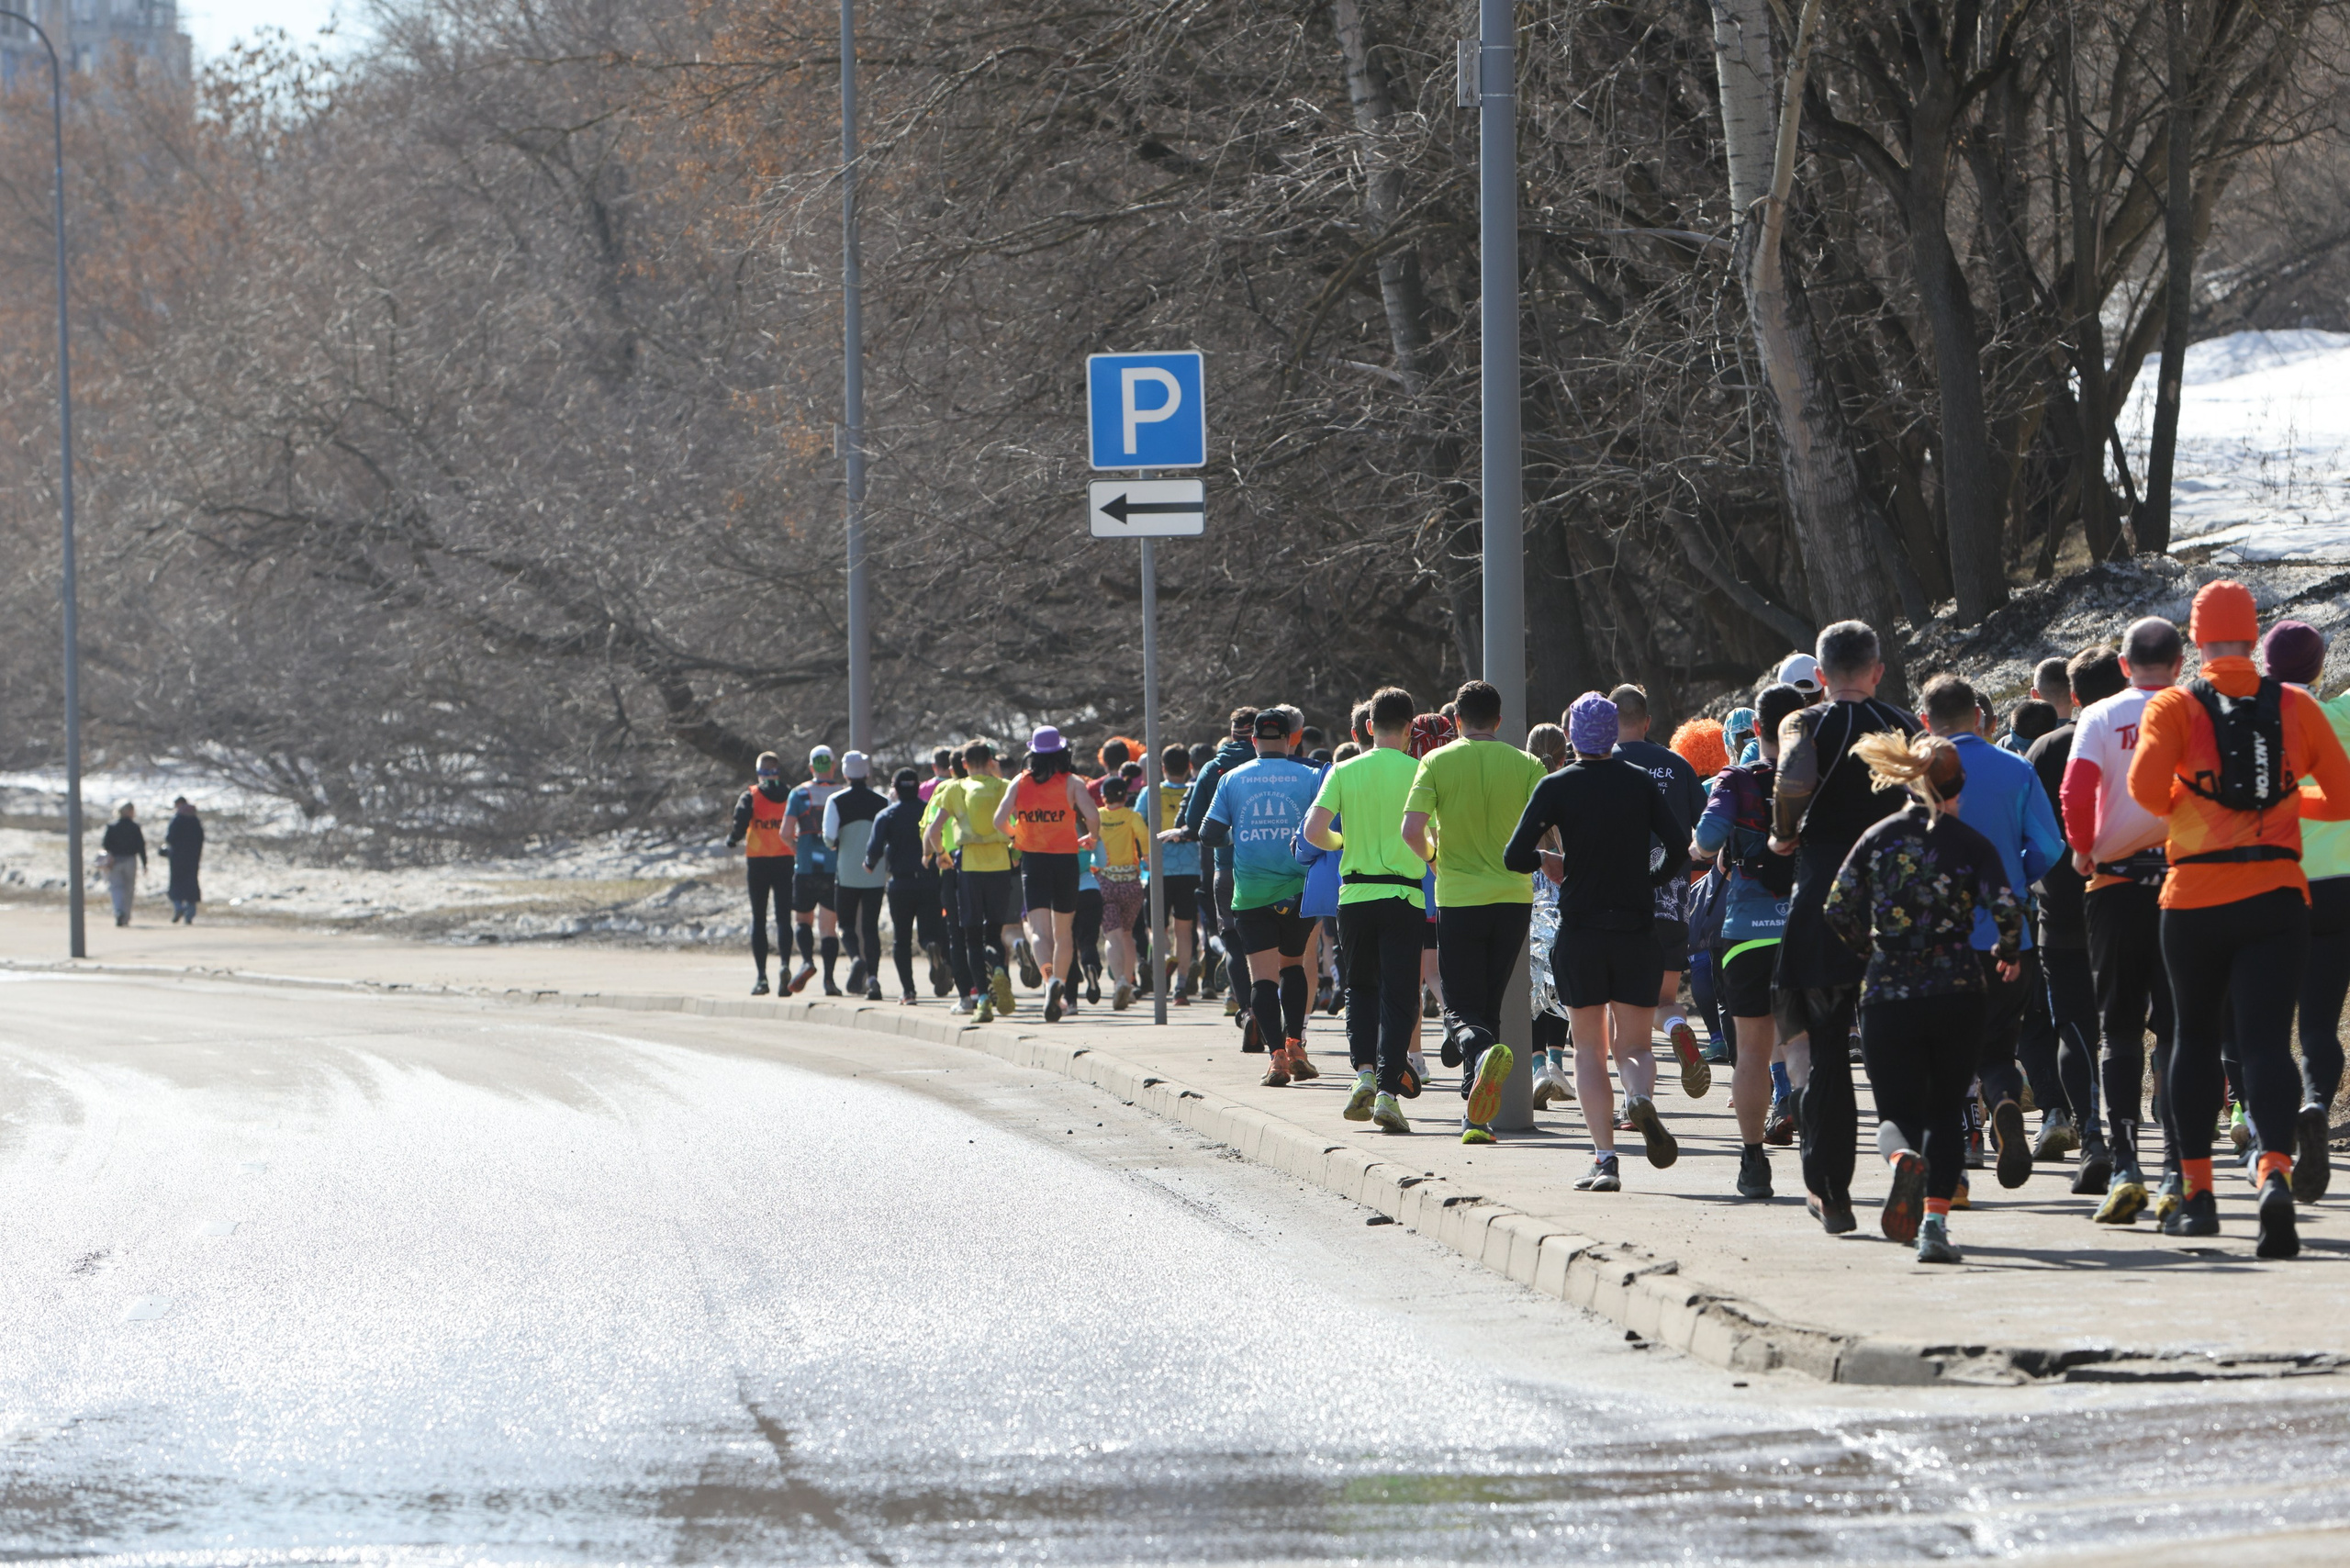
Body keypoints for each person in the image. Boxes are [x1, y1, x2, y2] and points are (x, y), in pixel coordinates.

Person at [2129, 581, 2350, 1258]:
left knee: (2194, 1040)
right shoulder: (2296, 704)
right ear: (2254, 638)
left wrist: (2198, 804)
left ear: (2196, 640)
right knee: (2266, 1044)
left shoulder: (2173, 705)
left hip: (2193, 897)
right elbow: (2340, 799)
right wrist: (2283, 802)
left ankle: (2198, 1197)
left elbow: (2144, 793)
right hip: (2277, 895)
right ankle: (2274, 1175)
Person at [1822, 732, 2027, 1262]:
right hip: (1958, 987)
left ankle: (1900, 1162)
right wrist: (2008, 950)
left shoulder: (1878, 837)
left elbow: (1838, 908)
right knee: (1944, 1110)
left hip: (1889, 990)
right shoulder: (1969, 843)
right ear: (1957, 788)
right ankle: (1934, 1225)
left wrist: (1868, 949)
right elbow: (2007, 910)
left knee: (1896, 1113)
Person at [1770, 620, 1921, 1235]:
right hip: (1895, 902)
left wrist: (1785, 832)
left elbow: (1793, 778)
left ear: (1822, 676)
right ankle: (1907, 1151)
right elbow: (1928, 798)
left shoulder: (1808, 721)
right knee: (1897, 1051)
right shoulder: (1904, 726)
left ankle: (1830, 1190)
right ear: (1878, 670)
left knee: (1826, 1048)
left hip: (1827, 901)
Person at [1504, 692, 1688, 1182]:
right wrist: (1649, 881)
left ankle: (1605, 1158)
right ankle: (1640, 1097)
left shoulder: (1557, 786)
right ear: (1614, 735)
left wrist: (1547, 860)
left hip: (1582, 930)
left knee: (1589, 1050)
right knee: (1635, 1047)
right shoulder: (1641, 783)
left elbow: (1514, 855)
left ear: (1571, 736)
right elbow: (1677, 847)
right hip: (1635, 929)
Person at [2063, 617, 2187, 1225]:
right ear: (2180, 662)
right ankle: (2177, 1168)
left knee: (2119, 1030)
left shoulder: (2101, 715)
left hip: (2113, 884)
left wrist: (2083, 848)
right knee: (2177, 1030)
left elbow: (2077, 787)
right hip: (2185, 881)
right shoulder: (2195, 707)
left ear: (2124, 666)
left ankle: (2125, 1164)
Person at [1919, 674, 2065, 1191]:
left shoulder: (1916, 775)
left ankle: (1957, 1159)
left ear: (1924, 722)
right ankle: (2004, 1100)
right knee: (1999, 1051)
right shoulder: (2016, 768)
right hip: (2009, 938)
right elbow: (2050, 846)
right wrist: (2014, 878)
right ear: (1978, 719)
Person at [1404, 679, 1549, 1144]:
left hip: (1459, 896)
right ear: (1500, 721)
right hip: (1513, 897)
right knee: (1489, 1000)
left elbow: (1411, 831)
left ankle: (1473, 1046)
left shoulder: (1436, 760)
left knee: (1462, 1005)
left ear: (1457, 721)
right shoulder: (1526, 763)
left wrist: (1433, 857)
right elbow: (1547, 834)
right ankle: (1475, 1113)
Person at [1693, 682, 1809, 1199]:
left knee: (1752, 1052)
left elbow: (1707, 841)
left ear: (1756, 729)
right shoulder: (1817, 777)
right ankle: (1817, 1153)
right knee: (1805, 1044)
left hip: (1744, 931)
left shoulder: (1735, 779)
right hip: (1806, 926)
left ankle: (1753, 1162)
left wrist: (1702, 846)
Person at [2024, 647, 2131, 1199]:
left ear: (2071, 693)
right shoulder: (2140, 735)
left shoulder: (2045, 749)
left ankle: (2090, 1131)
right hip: (2135, 893)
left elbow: (2038, 832)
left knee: (2073, 1022)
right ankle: (2136, 1138)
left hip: (2063, 904)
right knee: (2130, 1022)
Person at [1304, 686, 1427, 1135]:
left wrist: (1344, 843)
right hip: (1405, 895)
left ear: (1369, 727)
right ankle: (1390, 1094)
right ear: (1411, 728)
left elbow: (1314, 830)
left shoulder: (1343, 769)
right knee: (1399, 996)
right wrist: (1428, 855)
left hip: (1354, 896)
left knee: (1359, 988)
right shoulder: (1420, 770)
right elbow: (1431, 835)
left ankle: (1363, 1075)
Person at [2266, 621, 2348, 1201]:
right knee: (2320, 1021)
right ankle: (2319, 1104)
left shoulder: (2258, 724)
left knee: (2294, 1025)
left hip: (2292, 887)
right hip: (2349, 880)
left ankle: (2297, 1111)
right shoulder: (2341, 713)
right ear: (2321, 669)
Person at [1203, 708, 1326, 1084]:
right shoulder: (1310, 777)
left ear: (1252, 741)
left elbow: (1209, 833)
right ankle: (1296, 1043)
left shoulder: (1232, 778)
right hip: (1300, 891)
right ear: (1291, 739)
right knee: (1293, 966)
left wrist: (1239, 837)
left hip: (1252, 893)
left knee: (1263, 980)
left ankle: (1276, 1059)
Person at [1611, 685, 1715, 1099]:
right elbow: (1704, 831)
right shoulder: (1677, 764)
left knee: (1624, 1015)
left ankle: (1638, 1100)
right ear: (1648, 721)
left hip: (1619, 907)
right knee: (1664, 1000)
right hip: (1673, 900)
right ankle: (1677, 1026)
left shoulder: (1603, 764)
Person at [994, 726, 1102, 1023]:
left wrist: (1017, 835)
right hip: (1066, 860)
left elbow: (998, 820)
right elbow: (1093, 815)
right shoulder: (1072, 783)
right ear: (1062, 753)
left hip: (1034, 861)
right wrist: (1092, 837)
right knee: (1063, 932)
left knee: (1040, 932)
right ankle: (1061, 986)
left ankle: (1049, 982)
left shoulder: (1020, 782)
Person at [1174, 708, 1260, 1025]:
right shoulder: (1281, 767)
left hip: (1226, 868)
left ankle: (1248, 1011)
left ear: (1232, 731)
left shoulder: (1214, 769)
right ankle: (1278, 1017)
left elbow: (1195, 823)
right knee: (1273, 943)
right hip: (1276, 870)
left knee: (1235, 942)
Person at [924, 740, 1022, 1021]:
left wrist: (941, 853)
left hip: (968, 866)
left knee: (971, 937)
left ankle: (982, 1001)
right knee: (994, 932)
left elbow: (934, 830)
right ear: (991, 761)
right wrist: (1015, 852)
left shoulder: (955, 788)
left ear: (964, 764)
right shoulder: (1004, 786)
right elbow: (1021, 825)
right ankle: (1000, 969)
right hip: (1001, 865)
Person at [725, 753, 795, 994]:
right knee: (784, 918)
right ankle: (785, 964)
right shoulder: (789, 794)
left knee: (759, 919)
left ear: (759, 772)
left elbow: (741, 821)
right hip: (786, 859)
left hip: (759, 862)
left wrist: (733, 838)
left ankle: (762, 977)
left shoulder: (751, 796)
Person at [823, 752, 890, 1002]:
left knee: (845, 925)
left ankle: (855, 958)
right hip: (875, 873)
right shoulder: (882, 801)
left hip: (847, 872)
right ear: (867, 773)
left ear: (844, 774)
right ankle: (873, 980)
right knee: (870, 928)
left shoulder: (836, 800)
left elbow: (829, 837)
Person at [867, 768, 935, 1003]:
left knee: (901, 939)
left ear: (895, 789)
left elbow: (874, 851)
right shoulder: (929, 810)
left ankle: (908, 991)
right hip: (929, 880)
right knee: (931, 931)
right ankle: (932, 946)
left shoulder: (887, 816)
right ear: (918, 787)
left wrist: (869, 864)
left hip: (900, 883)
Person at [785, 746, 846, 994]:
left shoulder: (799, 794)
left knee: (802, 919)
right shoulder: (842, 793)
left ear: (811, 768)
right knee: (829, 927)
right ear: (833, 766)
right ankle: (830, 980)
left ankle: (807, 961)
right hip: (832, 868)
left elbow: (785, 833)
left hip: (807, 868)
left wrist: (797, 849)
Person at [1094, 775, 1149, 1007]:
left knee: (1112, 936)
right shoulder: (1131, 816)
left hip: (1105, 881)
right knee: (1127, 934)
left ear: (1103, 797)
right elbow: (1145, 838)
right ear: (1126, 797)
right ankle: (1129, 981)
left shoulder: (1096, 816)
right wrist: (1146, 857)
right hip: (1131, 884)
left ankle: (1120, 982)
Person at [1156, 745, 1203, 1003]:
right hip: (1190, 869)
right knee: (1184, 930)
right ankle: (1180, 987)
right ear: (1188, 767)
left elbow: (1141, 825)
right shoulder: (1194, 790)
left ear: (1162, 768)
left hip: (1160, 870)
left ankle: (1164, 959)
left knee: (1157, 927)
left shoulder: (1151, 792)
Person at [100, 802, 145, 927]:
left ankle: (119, 911)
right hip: (130, 860)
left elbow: (105, 844)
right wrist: (144, 863)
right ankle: (126, 915)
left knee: (116, 888)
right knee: (129, 889)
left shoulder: (112, 826)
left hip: (115, 860)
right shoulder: (135, 827)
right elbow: (141, 846)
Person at [162, 797, 204, 924]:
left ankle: (178, 907)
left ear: (179, 805)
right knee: (191, 883)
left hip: (177, 857)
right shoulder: (195, 820)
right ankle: (190, 914)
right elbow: (200, 838)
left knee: (176, 883)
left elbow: (170, 838)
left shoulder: (177, 819)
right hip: (193, 858)